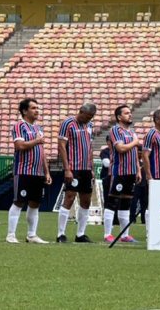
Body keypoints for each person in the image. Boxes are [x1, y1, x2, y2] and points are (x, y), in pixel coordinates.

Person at [7, 98, 52, 244]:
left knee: (35, 203)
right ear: (25, 111)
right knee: (19, 201)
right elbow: (19, 146)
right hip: (23, 170)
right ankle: (11, 234)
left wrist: (47, 172)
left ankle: (31, 235)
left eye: (37, 108)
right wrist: (37, 141)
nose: (37, 110)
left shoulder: (38, 128)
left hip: (38, 172)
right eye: (33, 108)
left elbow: (42, 152)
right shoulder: (19, 126)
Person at [56, 103, 96, 243]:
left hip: (86, 169)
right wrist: (67, 169)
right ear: (81, 112)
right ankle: (61, 233)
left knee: (86, 200)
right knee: (70, 197)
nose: (89, 119)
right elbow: (61, 145)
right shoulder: (68, 123)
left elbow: (90, 147)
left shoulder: (90, 126)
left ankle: (80, 234)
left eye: (91, 117)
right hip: (73, 167)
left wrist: (91, 168)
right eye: (88, 116)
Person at [103, 105, 143, 243]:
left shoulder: (132, 133)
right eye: (126, 113)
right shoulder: (115, 130)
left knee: (126, 202)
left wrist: (138, 170)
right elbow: (120, 149)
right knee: (112, 201)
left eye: (130, 113)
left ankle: (125, 235)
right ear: (119, 117)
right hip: (119, 171)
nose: (130, 115)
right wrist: (135, 142)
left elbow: (134, 154)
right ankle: (107, 234)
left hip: (131, 172)